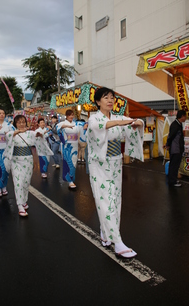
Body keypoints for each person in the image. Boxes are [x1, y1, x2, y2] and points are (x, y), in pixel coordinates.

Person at [87, 87, 144, 258]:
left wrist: (138, 123)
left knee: (115, 200)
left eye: (112, 97)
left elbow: (134, 124)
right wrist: (121, 123)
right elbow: (99, 127)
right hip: (99, 164)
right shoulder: (93, 118)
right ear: (98, 101)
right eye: (106, 98)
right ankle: (117, 242)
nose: (110, 100)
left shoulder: (119, 117)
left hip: (115, 163)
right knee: (104, 200)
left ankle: (106, 233)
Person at [3, 115, 49, 217]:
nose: (21, 124)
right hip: (16, 162)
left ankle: (24, 201)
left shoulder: (30, 133)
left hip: (28, 161)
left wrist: (39, 134)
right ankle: (20, 205)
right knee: (18, 182)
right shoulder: (12, 133)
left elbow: (39, 134)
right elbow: (8, 136)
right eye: (19, 122)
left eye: (23, 122)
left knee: (26, 182)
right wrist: (18, 132)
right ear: (15, 124)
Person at [56, 109, 87, 189]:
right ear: (66, 116)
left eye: (72, 115)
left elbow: (82, 127)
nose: (71, 116)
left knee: (74, 162)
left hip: (75, 146)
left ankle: (71, 179)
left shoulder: (76, 123)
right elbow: (57, 128)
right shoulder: (62, 123)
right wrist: (66, 126)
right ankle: (69, 180)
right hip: (67, 146)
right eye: (69, 115)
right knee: (67, 162)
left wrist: (85, 127)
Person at [165, 110, 187, 187]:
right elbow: (170, 136)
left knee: (175, 165)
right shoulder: (175, 125)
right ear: (182, 116)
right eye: (185, 116)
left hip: (177, 148)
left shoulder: (178, 124)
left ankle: (173, 180)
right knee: (174, 165)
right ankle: (172, 181)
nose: (186, 118)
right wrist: (167, 144)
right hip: (175, 148)